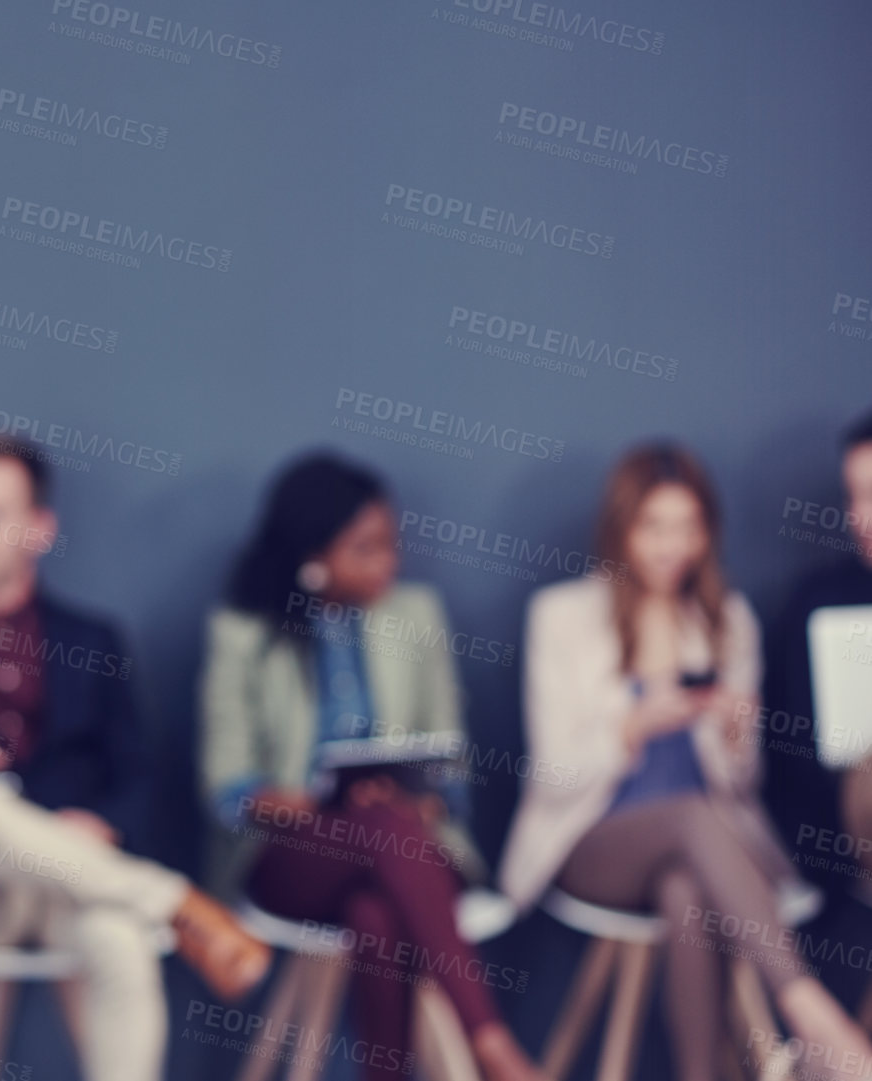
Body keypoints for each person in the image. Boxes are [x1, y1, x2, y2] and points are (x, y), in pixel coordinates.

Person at [498, 441, 872, 1081]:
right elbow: (553, 778)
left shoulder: (727, 621)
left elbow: (743, 785)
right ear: (621, 530)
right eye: (653, 526)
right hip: (595, 839)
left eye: (689, 527)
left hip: (709, 847)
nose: (673, 546)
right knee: (691, 823)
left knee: (686, 884)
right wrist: (630, 729)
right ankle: (810, 1013)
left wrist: (733, 734)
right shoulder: (562, 617)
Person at [0, 432, 272, 1081]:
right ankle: (176, 901)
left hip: (70, 884)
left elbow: (136, 770)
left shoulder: (91, 637)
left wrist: (103, 825)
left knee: (121, 939)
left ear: (40, 528)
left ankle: (147, 908)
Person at [197, 452, 543, 1081]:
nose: (390, 560)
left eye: (390, 543)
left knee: (377, 912)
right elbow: (225, 784)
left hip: (406, 845)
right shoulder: (243, 632)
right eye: (366, 547)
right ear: (314, 557)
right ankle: (493, 1046)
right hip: (291, 853)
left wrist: (424, 796)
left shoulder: (416, 616)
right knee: (379, 826)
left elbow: (453, 763)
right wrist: (299, 802)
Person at [764, 408, 872, 904]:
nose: (860, 518)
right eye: (854, 497)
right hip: (839, 820)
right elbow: (793, 754)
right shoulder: (817, 599)